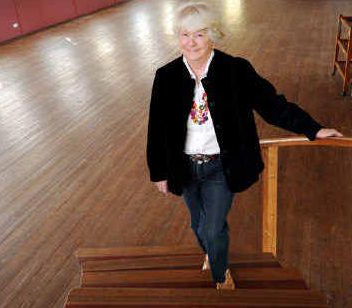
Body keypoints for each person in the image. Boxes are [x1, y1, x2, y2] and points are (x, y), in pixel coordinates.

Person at [146, 2, 342, 290]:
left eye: (199, 34)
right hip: (184, 167)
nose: (191, 42)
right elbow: (157, 127)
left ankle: (220, 272)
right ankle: (211, 255)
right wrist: (158, 172)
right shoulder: (166, 76)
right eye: (185, 35)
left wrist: (312, 128)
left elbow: (272, 105)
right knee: (197, 225)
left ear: (213, 35)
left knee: (213, 228)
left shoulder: (235, 70)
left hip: (220, 167)